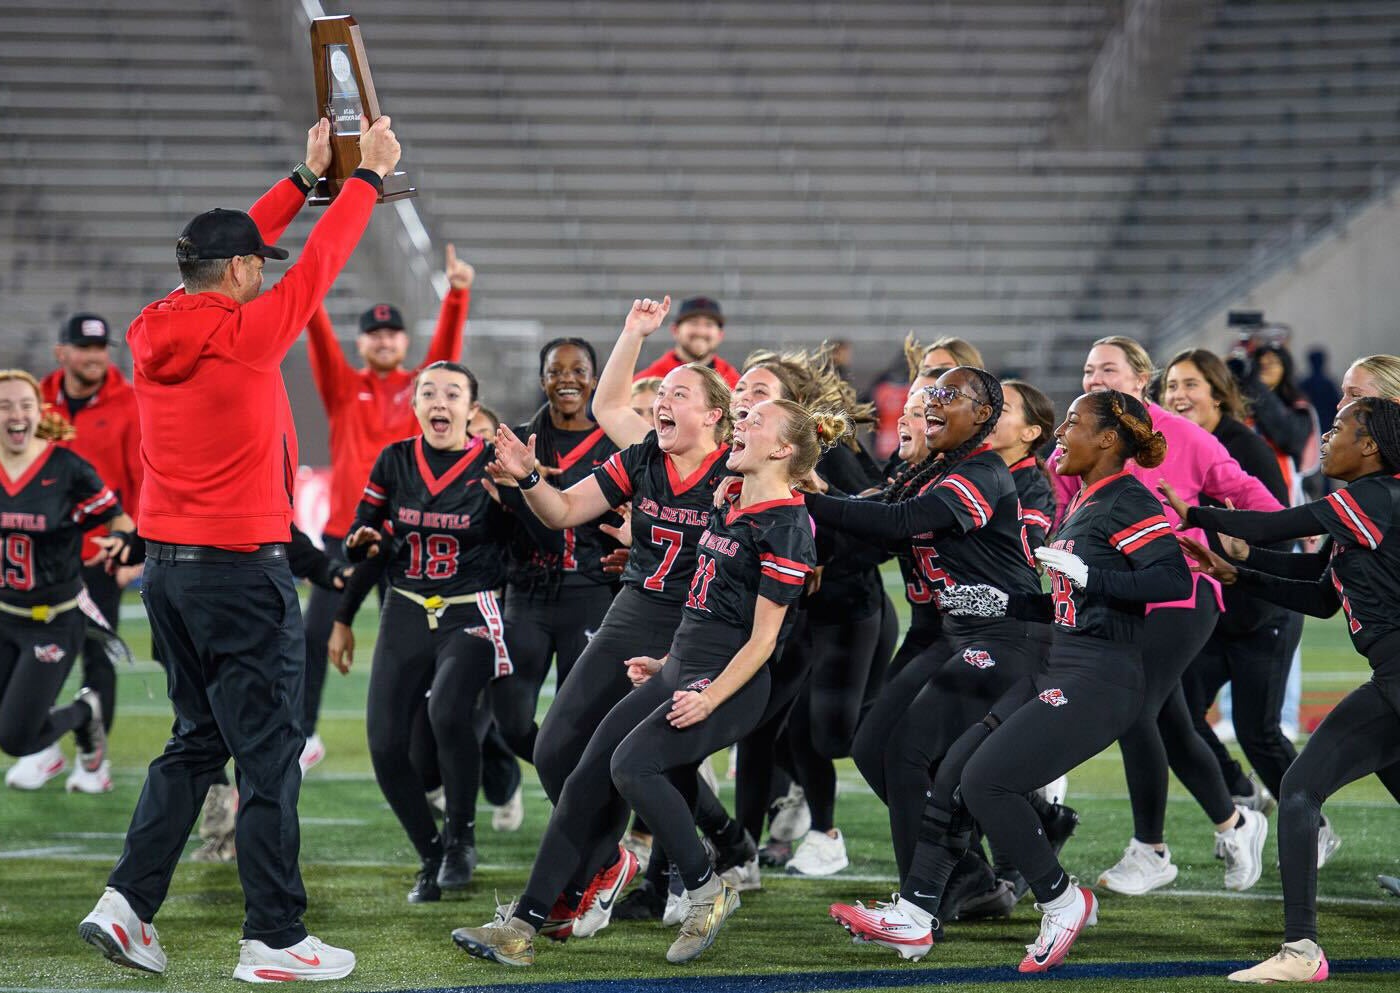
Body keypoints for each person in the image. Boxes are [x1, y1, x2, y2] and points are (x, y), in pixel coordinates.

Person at [78, 114, 400, 982]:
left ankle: (126, 905)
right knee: (268, 754)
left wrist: (301, 177)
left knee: (196, 741)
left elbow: (234, 250)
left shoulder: (152, 323)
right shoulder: (246, 332)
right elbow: (323, 262)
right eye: (258, 264)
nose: (266, 274)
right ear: (241, 272)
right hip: (241, 573)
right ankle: (274, 937)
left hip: (170, 575)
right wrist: (365, 178)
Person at [453, 397, 829, 966]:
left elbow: (762, 640)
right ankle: (521, 926)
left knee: (631, 766)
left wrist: (710, 695)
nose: (741, 423)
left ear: (781, 449)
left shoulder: (787, 524)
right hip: (679, 665)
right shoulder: (732, 498)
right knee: (583, 777)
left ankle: (706, 887)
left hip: (725, 682)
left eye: (755, 421)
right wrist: (667, 661)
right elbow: (704, 599)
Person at [834, 390, 1191, 971]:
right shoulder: (1084, 499)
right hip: (1060, 660)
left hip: (1100, 676)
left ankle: (1061, 899)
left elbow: (1174, 579)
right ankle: (916, 916)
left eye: (1073, 422)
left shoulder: (1127, 498)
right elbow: (1070, 603)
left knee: (986, 782)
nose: (1061, 433)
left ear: (1107, 439)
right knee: (953, 771)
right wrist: (1009, 602)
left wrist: (1092, 576)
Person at [450, 297, 736, 945]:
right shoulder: (643, 457)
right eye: (660, 392)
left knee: (621, 764)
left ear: (715, 415)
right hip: (631, 612)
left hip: (696, 631)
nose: (661, 401)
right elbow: (562, 511)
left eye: (679, 393)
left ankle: (560, 904)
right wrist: (528, 478)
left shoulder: (736, 471)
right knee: (554, 750)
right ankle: (610, 864)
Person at [1173, 397, 1400, 983]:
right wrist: (1238, 571)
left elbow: (1276, 525)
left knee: (1299, 788)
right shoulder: (1366, 506)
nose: (1325, 437)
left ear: (1370, 446)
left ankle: (1302, 950)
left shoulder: (1375, 496)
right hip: (1391, 677)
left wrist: (1192, 512)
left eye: (1339, 427)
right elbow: (1322, 594)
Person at [804, 368, 1048, 890]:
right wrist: (817, 492)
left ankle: (926, 896)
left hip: (1006, 633)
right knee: (872, 747)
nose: (932, 403)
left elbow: (900, 522)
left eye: (947, 395)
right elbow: (884, 513)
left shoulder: (983, 471)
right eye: (928, 394)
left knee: (908, 752)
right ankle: (968, 876)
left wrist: (807, 501)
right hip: (957, 631)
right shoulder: (936, 469)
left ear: (983, 415)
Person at [1059, 337, 1279, 898]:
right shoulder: (1081, 435)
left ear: (1141, 379)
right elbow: (1061, 511)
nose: (1095, 379)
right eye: (1088, 370)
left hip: (1181, 595)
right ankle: (1235, 821)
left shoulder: (1184, 436)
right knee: (1171, 723)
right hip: (1116, 599)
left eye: (1108, 369)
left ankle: (1150, 849)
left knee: (1134, 708)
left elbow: (1253, 497)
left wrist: (1257, 546)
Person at [327, 361, 535, 902]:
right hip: (405, 607)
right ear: (416, 404)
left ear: (471, 408)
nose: (439, 401)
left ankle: (462, 837)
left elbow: (532, 543)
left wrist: (515, 499)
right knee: (384, 745)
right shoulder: (395, 459)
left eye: (452, 393)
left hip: (471, 610)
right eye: (428, 392)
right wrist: (347, 599)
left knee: (447, 711)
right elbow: (366, 532)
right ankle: (430, 851)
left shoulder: (492, 464)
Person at [301, 247, 472, 771]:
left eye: (392, 333)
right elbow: (318, 336)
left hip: (405, 539)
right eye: (373, 334)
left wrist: (456, 296)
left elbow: (445, 356)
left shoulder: (420, 391)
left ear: (403, 341)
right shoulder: (343, 387)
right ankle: (303, 736)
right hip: (345, 537)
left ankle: (422, 746)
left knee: (414, 646)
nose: (383, 340)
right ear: (360, 343)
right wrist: (308, 285)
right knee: (313, 636)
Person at [1159, 350, 1299, 822]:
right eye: (1171, 386)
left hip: (1260, 609)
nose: (1178, 395)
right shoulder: (1167, 445)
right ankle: (1242, 794)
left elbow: (1280, 528)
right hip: (1212, 609)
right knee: (1176, 713)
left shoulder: (1245, 447)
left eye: (1190, 384)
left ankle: (1311, 822)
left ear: (1218, 394)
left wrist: (1241, 566)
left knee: (1258, 733)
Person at [7, 315, 143, 795]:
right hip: (36, 564)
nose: (95, 357)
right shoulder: (35, 400)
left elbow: (142, 479)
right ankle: (43, 748)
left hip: (98, 558)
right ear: (61, 352)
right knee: (27, 658)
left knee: (96, 656)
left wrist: (134, 550)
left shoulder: (129, 402)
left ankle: (93, 760)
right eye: (84, 348)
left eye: (101, 348)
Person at [492, 339, 621, 766]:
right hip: (528, 592)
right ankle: (562, 776)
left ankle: (574, 796)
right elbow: (492, 525)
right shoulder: (516, 441)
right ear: (542, 379)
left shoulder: (615, 445)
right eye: (556, 371)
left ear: (594, 380)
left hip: (591, 591)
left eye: (578, 370)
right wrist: (509, 495)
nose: (567, 379)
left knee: (580, 721)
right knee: (511, 721)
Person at [634, 296, 740, 387]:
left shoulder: (735, 384)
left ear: (720, 335)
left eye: (709, 324)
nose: (700, 331)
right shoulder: (647, 382)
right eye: (693, 323)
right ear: (675, 330)